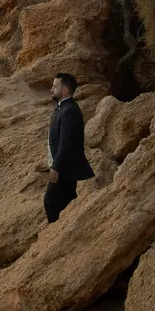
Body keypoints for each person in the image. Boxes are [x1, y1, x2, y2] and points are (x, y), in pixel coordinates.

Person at [44, 73, 94, 223]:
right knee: (67, 201)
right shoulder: (62, 108)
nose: (52, 89)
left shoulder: (70, 110)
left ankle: (57, 232)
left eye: (55, 86)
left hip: (65, 168)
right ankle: (72, 227)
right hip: (64, 166)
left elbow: (66, 143)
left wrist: (56, 167)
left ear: (64, 90)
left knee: (50, 201)